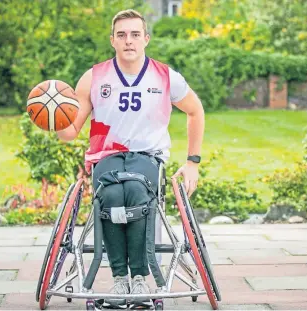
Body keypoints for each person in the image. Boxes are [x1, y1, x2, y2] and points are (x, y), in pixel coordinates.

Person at [57, 9, 205, 310]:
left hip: (148, 157)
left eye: (135, 34)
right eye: (122, 35)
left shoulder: (165, 76)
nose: (129, 41)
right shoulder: (94, 77)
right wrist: (54, 116)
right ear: (112, 40)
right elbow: (71, 132)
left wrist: (193, 162)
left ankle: (139, 278)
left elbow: (195, 110)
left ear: (146, 39)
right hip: (107, 156)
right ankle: (120, 278)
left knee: (136, 192)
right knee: (112, 194)